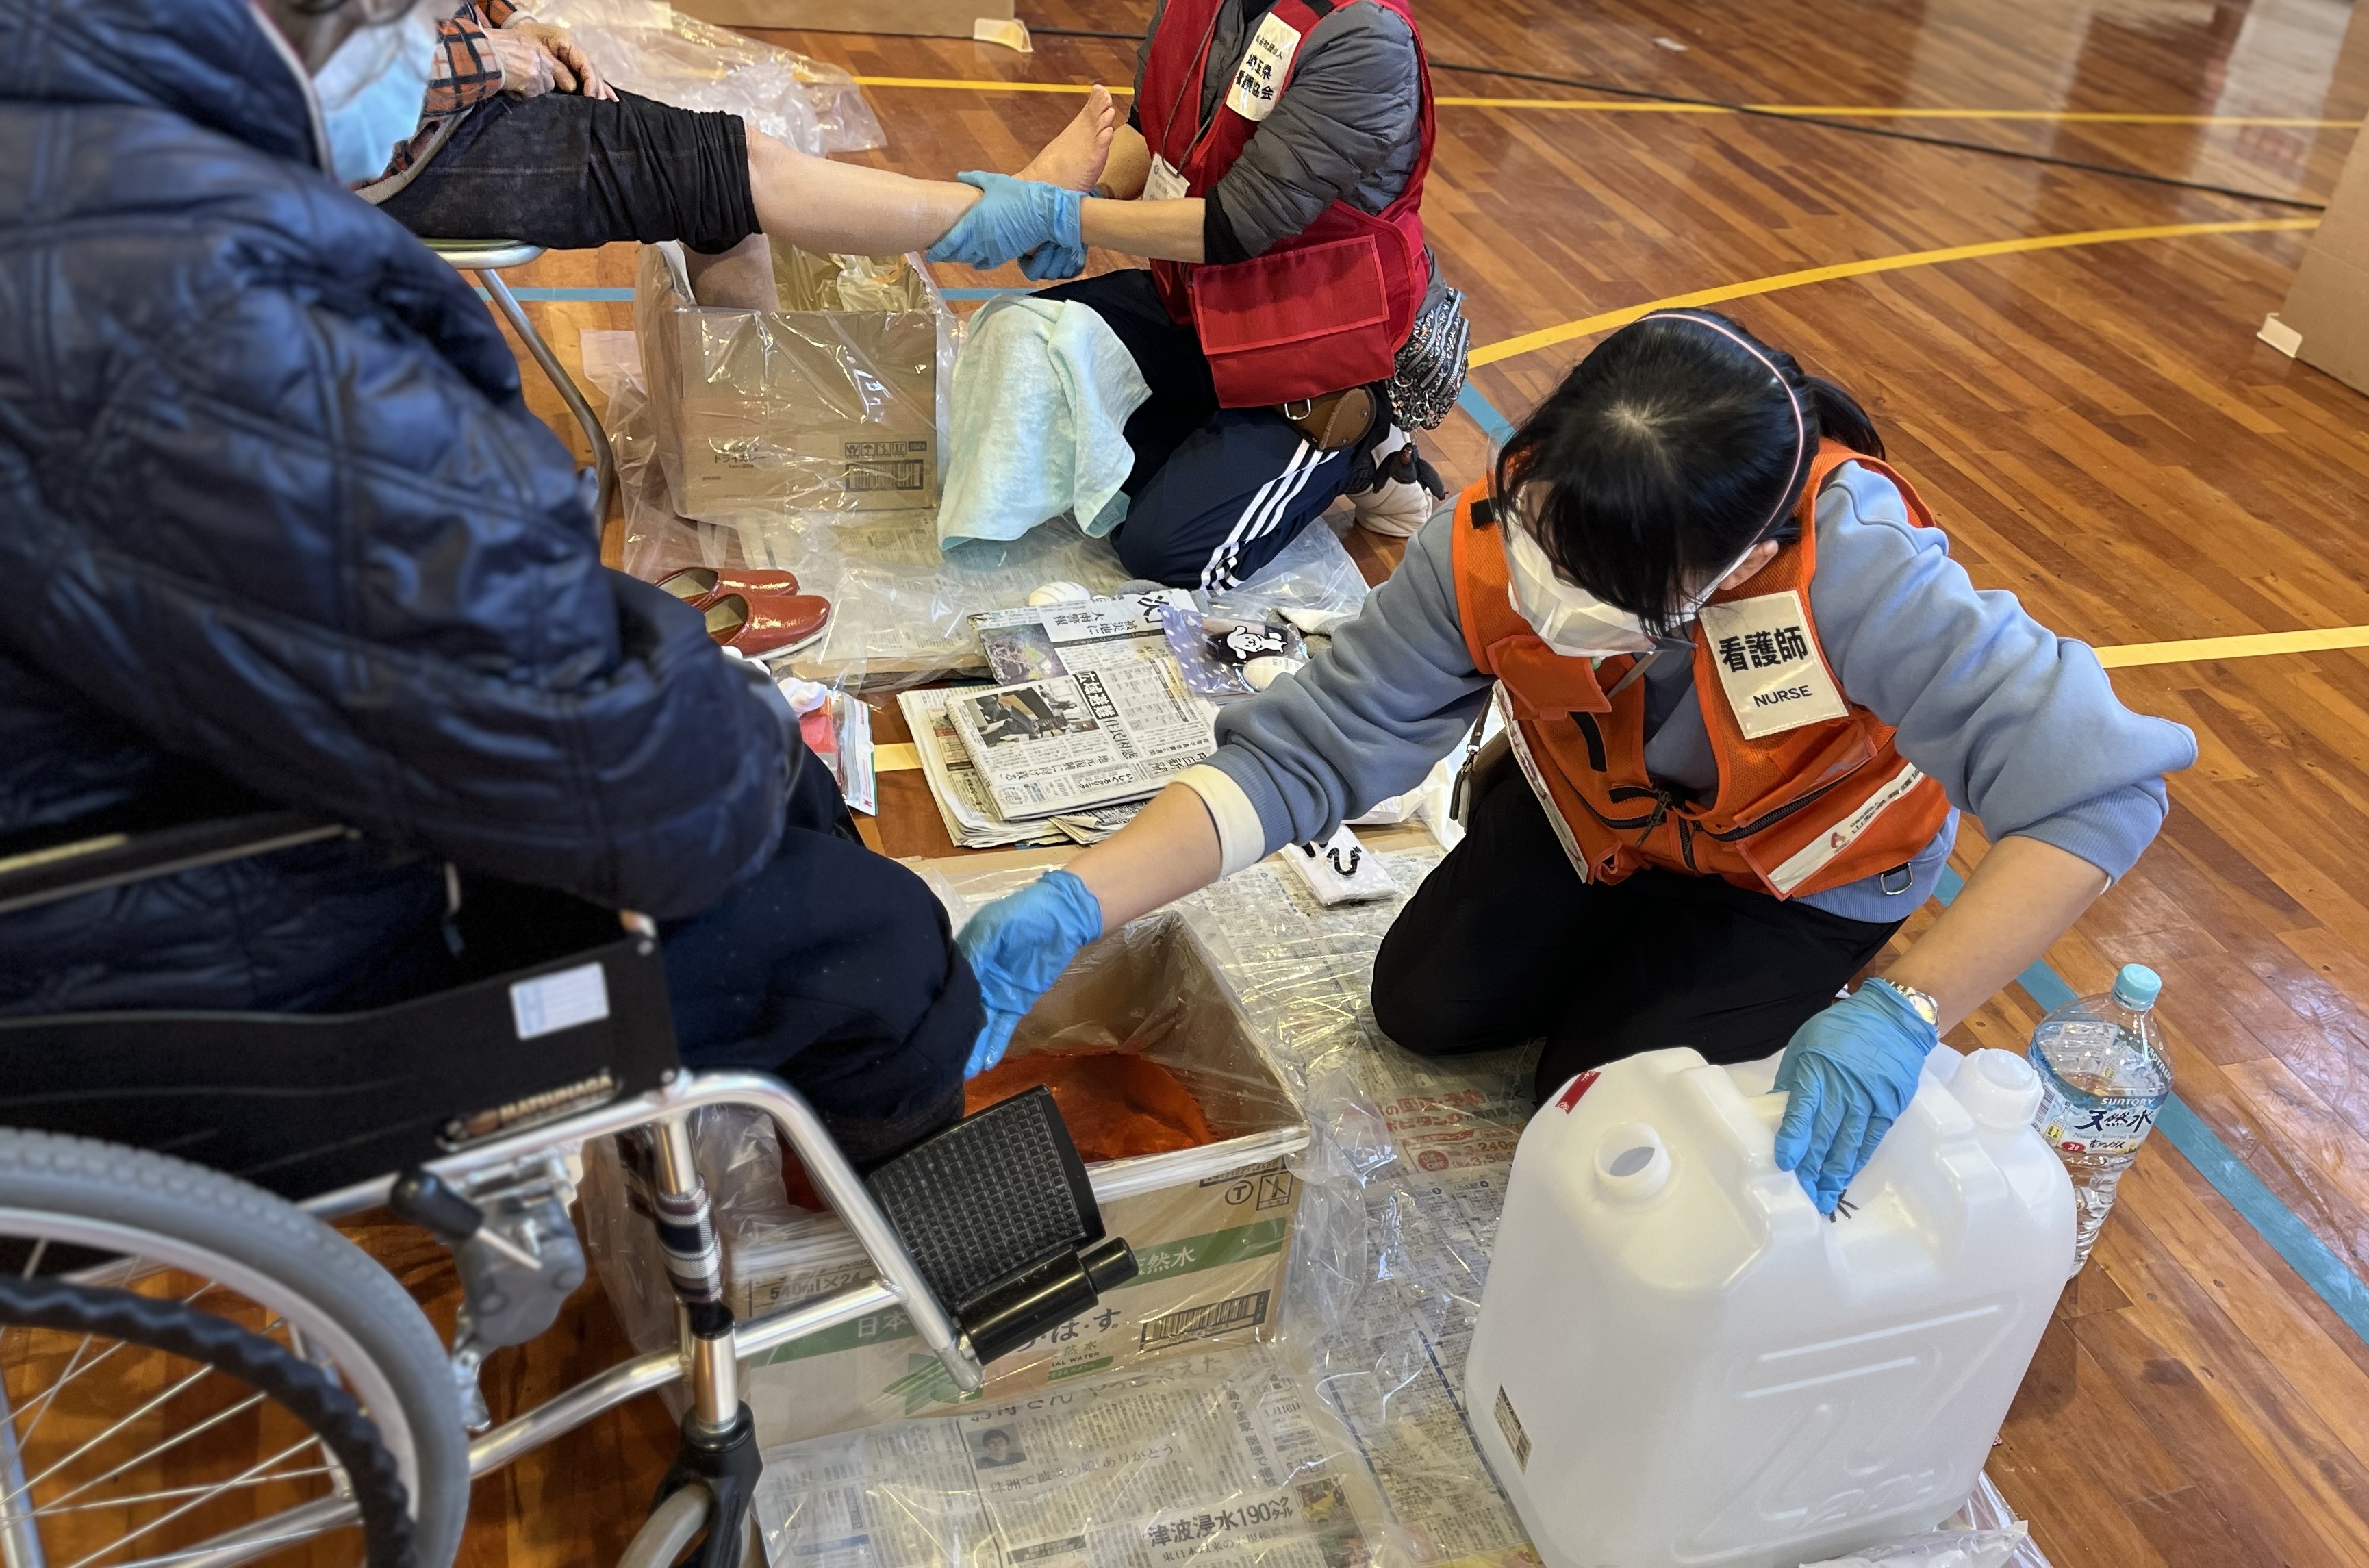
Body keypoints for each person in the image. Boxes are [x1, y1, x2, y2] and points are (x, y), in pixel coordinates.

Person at [0, 0, 1006, 1163]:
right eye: (424, 20)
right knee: (880, 960)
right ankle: (879, 1307)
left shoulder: (89, 156)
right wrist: (743, 739)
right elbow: (618, 781)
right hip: (178, 945)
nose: (437, 45)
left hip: (120, 818)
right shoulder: (187, 300)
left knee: (755, 769)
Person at [953, 309, 2199, 1212]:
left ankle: (1742, 986)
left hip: (1795, 879)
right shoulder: (1486, 536)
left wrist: (1908, 1010)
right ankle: (1615, 948)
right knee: (1424, 1009)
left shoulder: (1861, 571)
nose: (1545, 596)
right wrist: (1080, 896)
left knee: (1593, 1108)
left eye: (1609, 592)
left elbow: (2098, 792)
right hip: (1590, 821)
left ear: (1743, 569)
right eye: (1542, 530)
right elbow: (1312, 750)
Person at [926, 0, 1454, 591]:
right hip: (1202, 304)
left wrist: (1063, 216)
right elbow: (1148, 132)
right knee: (1023, 341)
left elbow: (1235, 226)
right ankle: (1223, 439)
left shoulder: (1365, 36)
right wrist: (1087, 192)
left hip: (1317, 346)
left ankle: (1363, 447)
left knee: (1166, 552)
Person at [339, 1, 1115, 308]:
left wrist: (509, 25)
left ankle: (742, 453)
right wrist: (490, 57)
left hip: (441, 102)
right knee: (728, 169)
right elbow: (307, 68)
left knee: (721, 175)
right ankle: (1008, 212)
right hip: (383, 154)